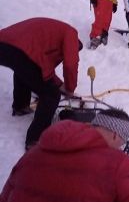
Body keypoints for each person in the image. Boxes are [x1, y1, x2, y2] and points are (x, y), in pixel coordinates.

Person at [0, 109, 129, 202]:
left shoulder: (32, 155)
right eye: (122, 143)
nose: (120, 148)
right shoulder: (115, 163)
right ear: (115, 135)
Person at [0, 17, 81, 150]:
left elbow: (39, 69)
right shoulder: (71, 34)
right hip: (18, 48)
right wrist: (70, 89)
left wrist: (61, 85)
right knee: (51, 95)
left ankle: (21, 106)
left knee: (24, 70)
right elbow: (70, 65)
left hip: (6, 44)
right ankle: (35, 138)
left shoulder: (53, 36)